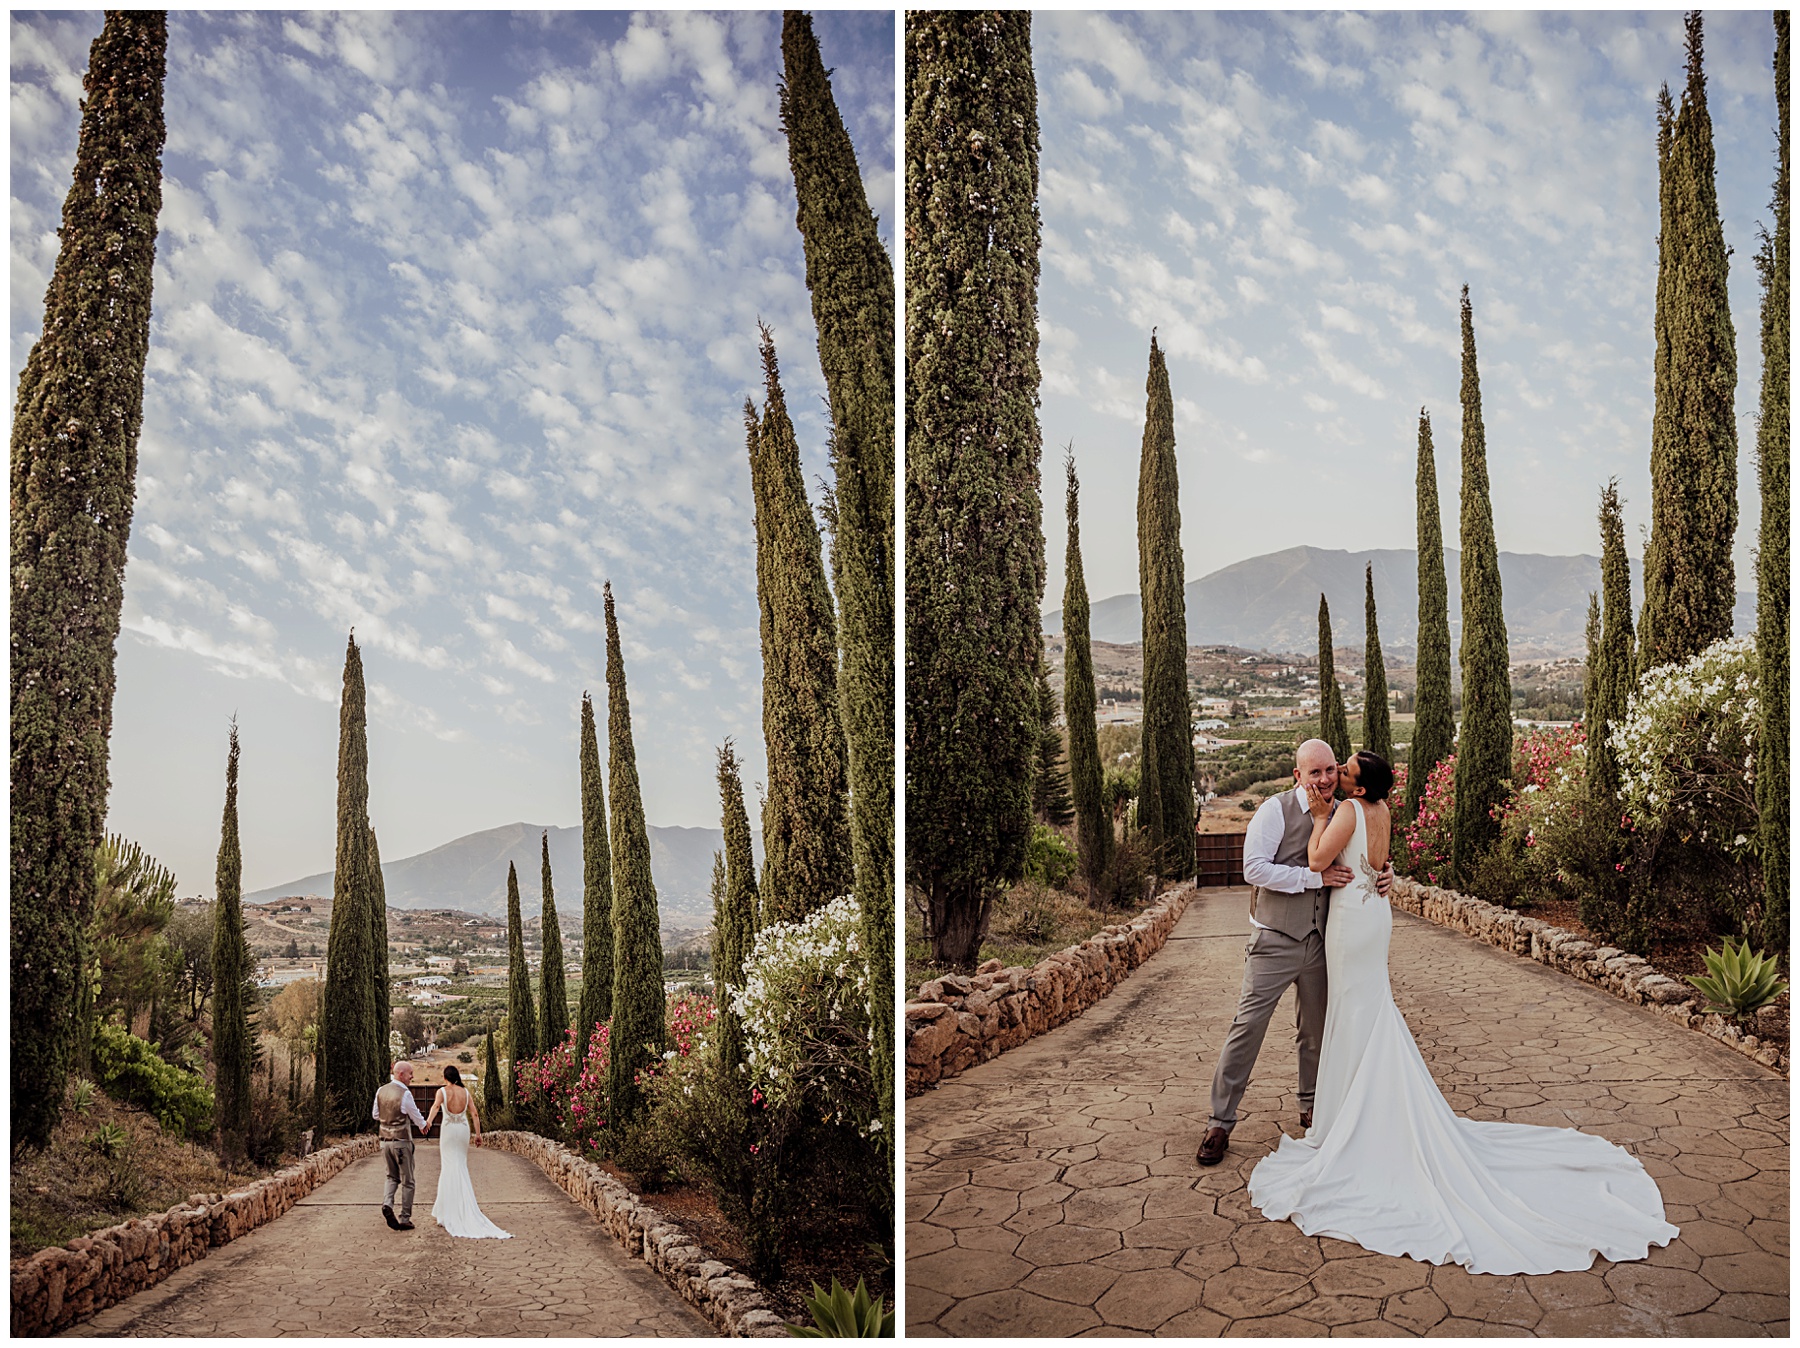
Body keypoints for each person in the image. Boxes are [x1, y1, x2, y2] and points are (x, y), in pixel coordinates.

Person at [1247, 750, 1677, 1274]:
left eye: (1347, 770)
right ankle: (1356, 1110)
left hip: (1350, 927)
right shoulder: (1382, 811)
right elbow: (1378, 868)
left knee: (1355, 1015)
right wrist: (1378, 872)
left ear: (1357, 788)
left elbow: (1317, 862)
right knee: (1367, 1013)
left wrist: (1318, 820)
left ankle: (1355, 1124)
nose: (1339, 775)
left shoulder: (1344, 811)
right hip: (1373, 917)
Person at [1197, 739, 1390, 1166]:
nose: (1324, 779)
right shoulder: (1273, 811)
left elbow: (1365, 854)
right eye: (1314, 772)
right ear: (1297, 775)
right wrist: (1312, 879)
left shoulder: (1344, 810)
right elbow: (1255, 869)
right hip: (1274, 941)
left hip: (1324, 941)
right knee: (1247, 1027)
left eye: (1330, 770)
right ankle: (1220, 1122)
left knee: (1317, 1032)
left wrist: (1383, 872)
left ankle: (1312, 1108)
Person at [421, 1064, 511, 1239]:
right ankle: (459, 1207)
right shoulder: (466, 1092)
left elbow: (435, 1107)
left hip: (448, 1131)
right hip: (462, 1129)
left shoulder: (442, 1091)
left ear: (445, 1077)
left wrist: (429, 1122)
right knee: (460, 1165)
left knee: (448, 1168)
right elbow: (475, 1114)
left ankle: (446, 1211)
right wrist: (478, 1134)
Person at [372, 1061, 430, 1230]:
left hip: (384, 1142)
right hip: (401, 1142)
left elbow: (376, 1115)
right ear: (400, 1074)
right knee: (408, 1180)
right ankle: (405, 1217)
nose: (412, 1076)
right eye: (410, 1073)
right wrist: (423, 1125)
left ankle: (387, 1203)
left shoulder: (380, 1091)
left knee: (391, 1176)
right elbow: (414, 1114)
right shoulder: (405, 1094)